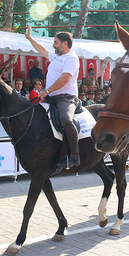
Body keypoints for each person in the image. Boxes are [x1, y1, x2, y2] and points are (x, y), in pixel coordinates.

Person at [24, 27, 81, 169]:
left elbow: (65, 79)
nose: (53, 45)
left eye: (56, 42)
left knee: (66, 120)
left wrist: (46, 91)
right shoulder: (57, 56)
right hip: (50, 97)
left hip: (66, 98)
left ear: (65, 44)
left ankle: (75, 156)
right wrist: (30, 39)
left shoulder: (71, 58)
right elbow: (42, 50)